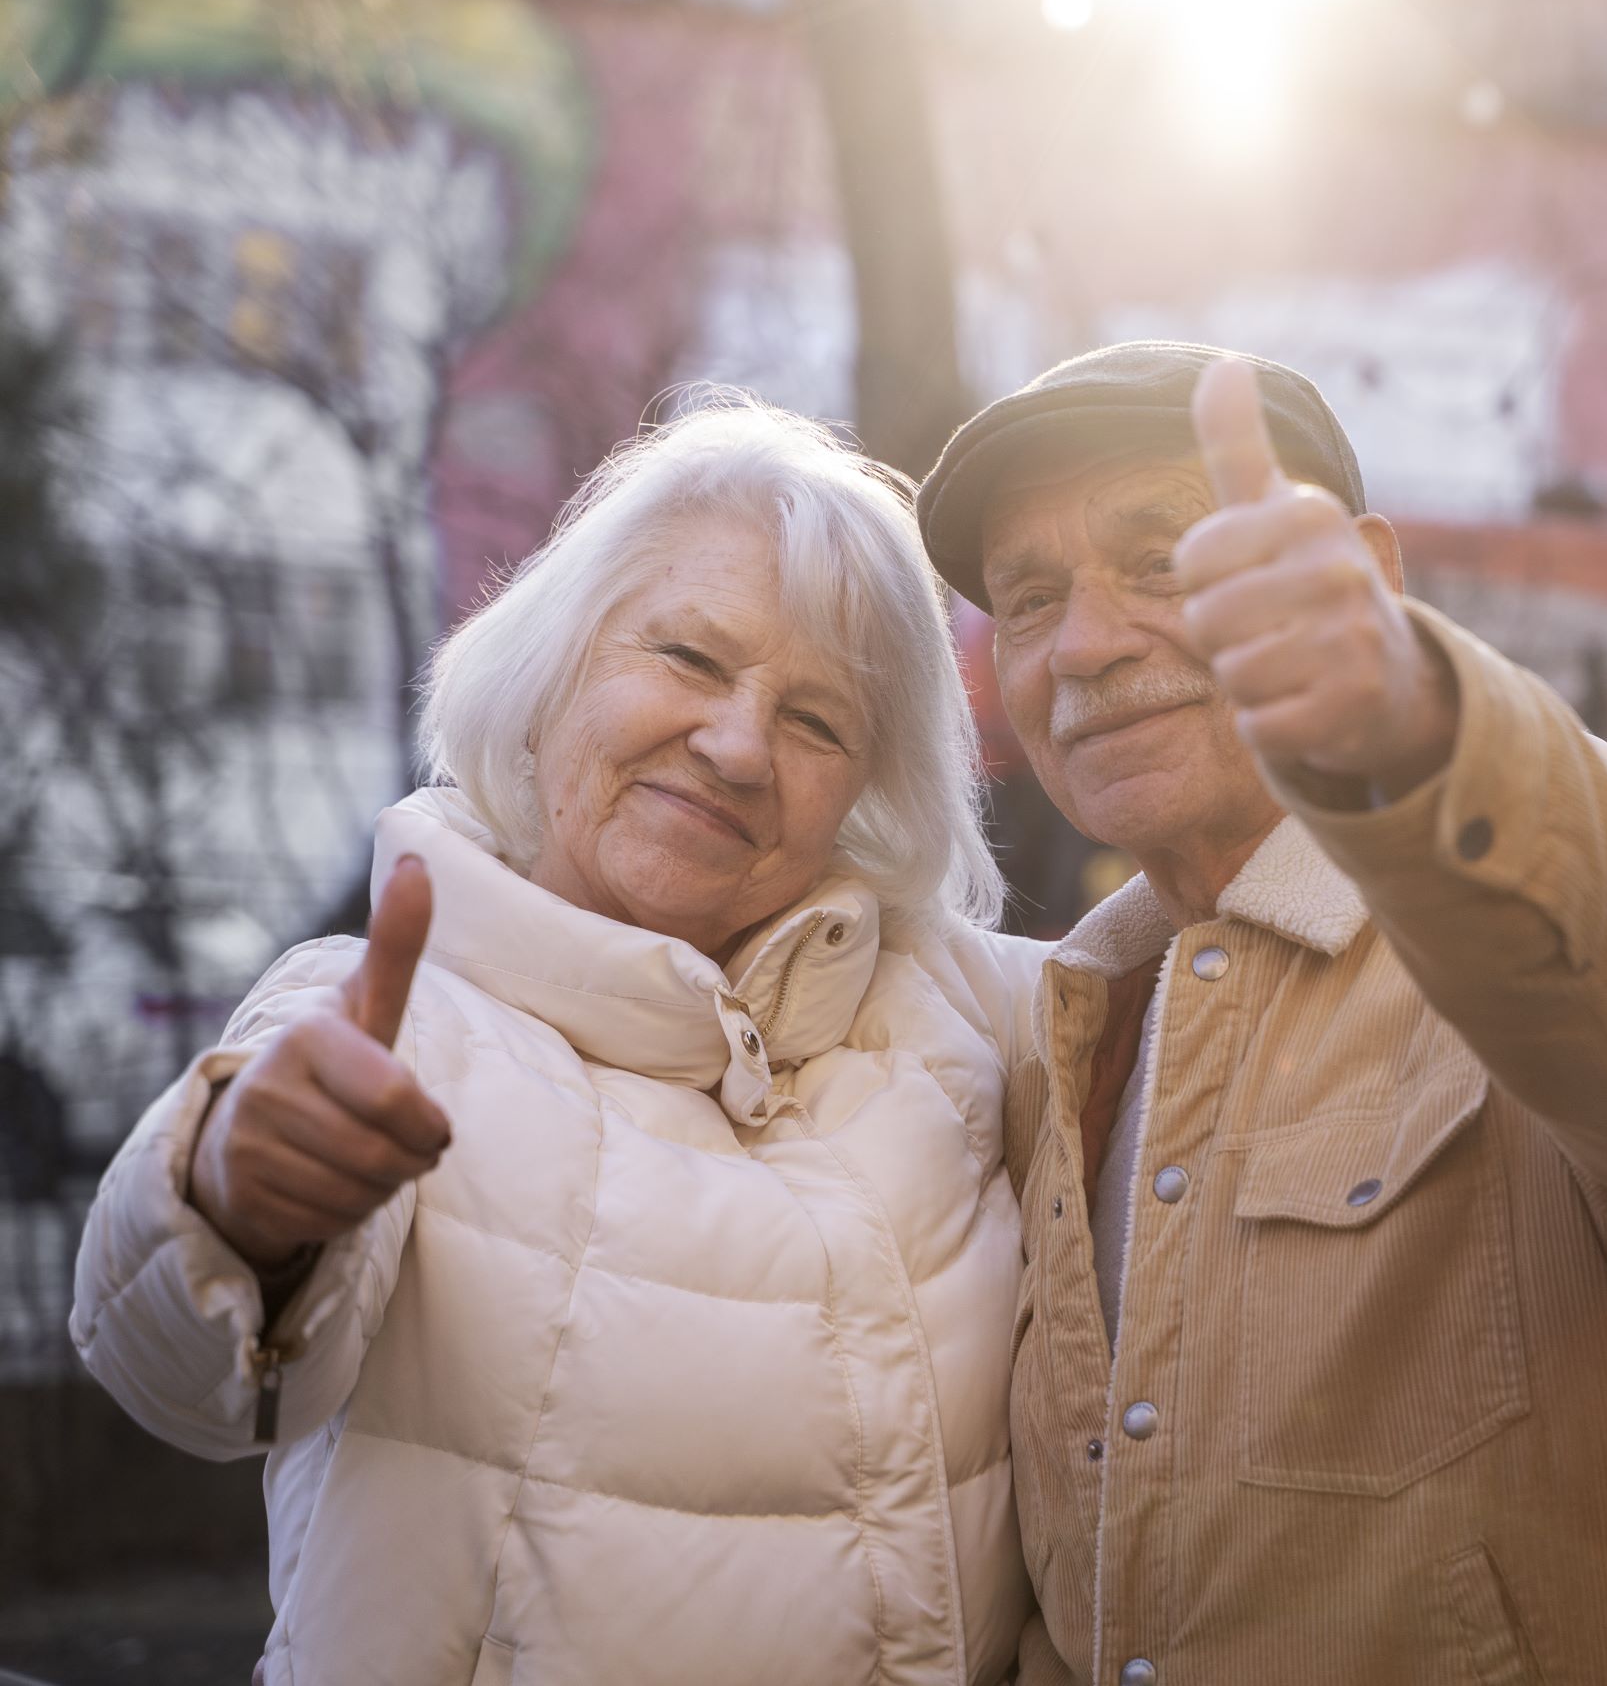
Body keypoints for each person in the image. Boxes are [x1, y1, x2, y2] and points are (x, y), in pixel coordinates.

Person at [71, 399, 1044, 1686]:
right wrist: (239, 1201)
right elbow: (179, 1374)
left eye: (817, 722)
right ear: (553, 665)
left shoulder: (963, 1012)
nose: (740, 744)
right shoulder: (382, 1014)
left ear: (869, 791)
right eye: (691, 659)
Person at [915, 341, 1607, 1685]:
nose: (1088, 641)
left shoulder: (1524, 920)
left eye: (1163, 561)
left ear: (1375, 581)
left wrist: (1414, 723)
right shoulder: (1056, 1036)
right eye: (1031, 596)